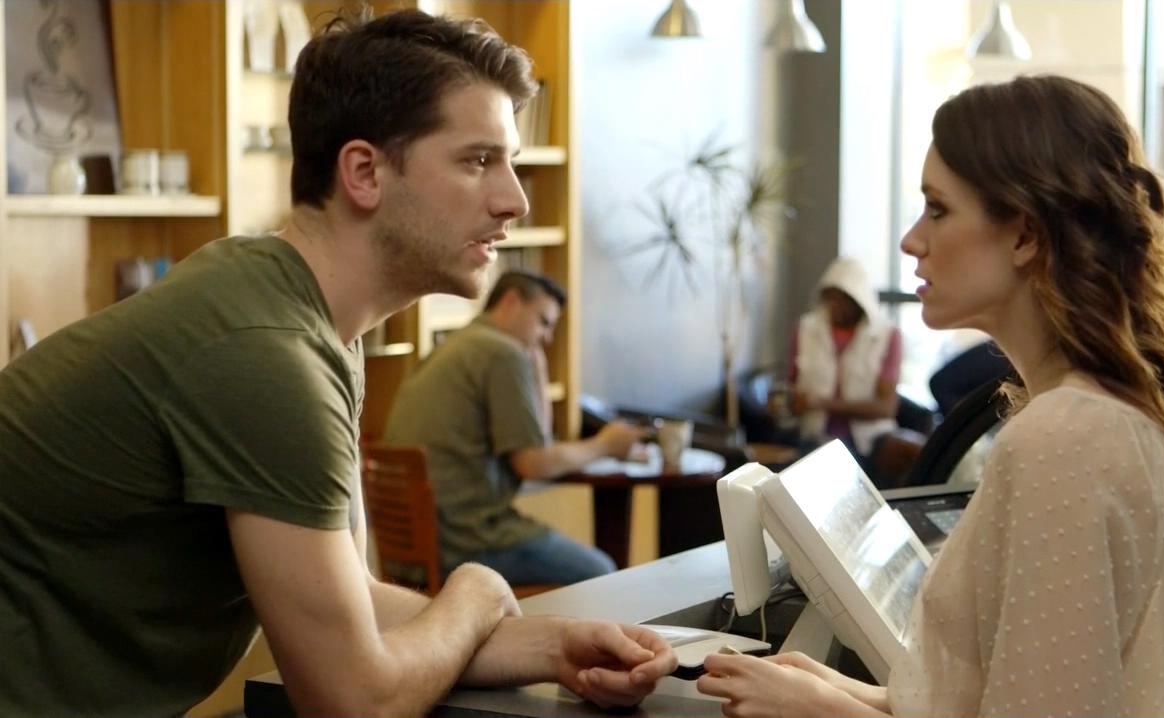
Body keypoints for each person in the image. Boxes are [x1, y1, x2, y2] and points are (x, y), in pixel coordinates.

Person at [0, 10, 674, 717]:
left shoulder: (302, 321)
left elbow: (355, 605)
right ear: (363, 172)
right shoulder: (266, 353)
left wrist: (552, 644)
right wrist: (474, 591)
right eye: (478, 161)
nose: (515, 200)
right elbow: (353, 700)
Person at [697, 74, 1164, 717]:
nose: (912, 240)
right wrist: (851, 694)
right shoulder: (1153, 420)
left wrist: (822, 711)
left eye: (938, 209)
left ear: (1025, 235)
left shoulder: (1066, 438)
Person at [383, 270, 644, 585]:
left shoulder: (455, 345)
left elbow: (537, 442)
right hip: (468, 542)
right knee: (602, 573)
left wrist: (538, 369)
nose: (547, 337)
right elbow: (534, 463)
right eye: (544, 322)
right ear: (511, 301)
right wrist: (606, 445)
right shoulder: (501, 353)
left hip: (411, 548)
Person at [787, 256, 924, 487]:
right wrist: (787, 402)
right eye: (831, 298)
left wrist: (820, 402)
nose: (836, 306)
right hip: (814, 436)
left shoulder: (887, 336)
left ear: (861, 300)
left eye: (844, 299)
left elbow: (886, 408)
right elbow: (791, 386)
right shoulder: (805, 329)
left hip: (870, 440)